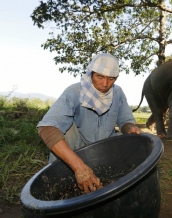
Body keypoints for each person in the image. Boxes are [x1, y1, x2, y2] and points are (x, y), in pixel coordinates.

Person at [37, 53, 142, 193]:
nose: (105, 84)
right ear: (91, 73)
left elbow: (125, 121)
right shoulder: (74, 92)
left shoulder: (117, 93)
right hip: (78, 149)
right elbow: (47, 127)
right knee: (64, 131)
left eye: (111, 79)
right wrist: (79, 167)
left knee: (136, 144)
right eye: (100, 77)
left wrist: (130, 128)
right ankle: (58, 183)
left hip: (107, 148)